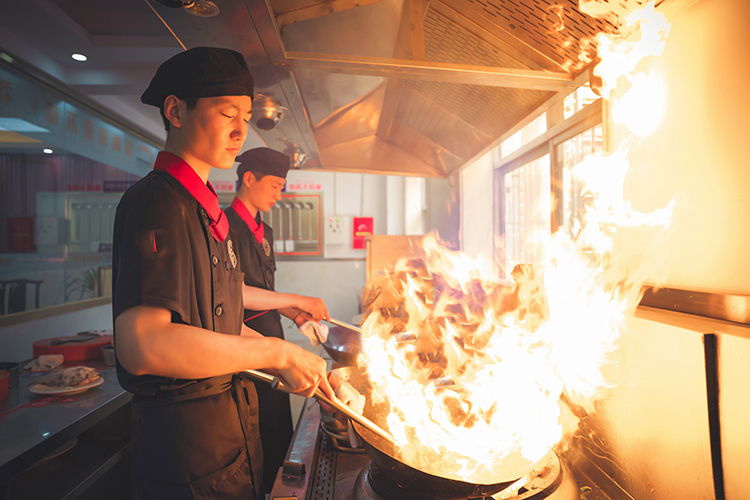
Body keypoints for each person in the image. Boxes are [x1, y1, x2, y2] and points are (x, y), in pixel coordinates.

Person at [112, 46, 335, 500]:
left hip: (226, 437)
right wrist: (276, 353)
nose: (241, 130)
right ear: (175, 110)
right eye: (226, 113)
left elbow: (218, 320)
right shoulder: (158, 202)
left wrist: (287, 359)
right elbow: (143, 345)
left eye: (246, 115)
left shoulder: (202, 208)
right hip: (186, 450)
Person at [224, 147, 327, 493]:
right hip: (243, 343)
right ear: (248, 179)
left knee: (278, 424)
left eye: (282, 188)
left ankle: (278, 491)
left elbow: (264, 290)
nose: (278, 195)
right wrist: (298, 300)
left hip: (272, 336)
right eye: (274, 186)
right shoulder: (224, 229)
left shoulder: (263, 232)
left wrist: (294, 314)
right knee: (255, 430)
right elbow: (233, 294)